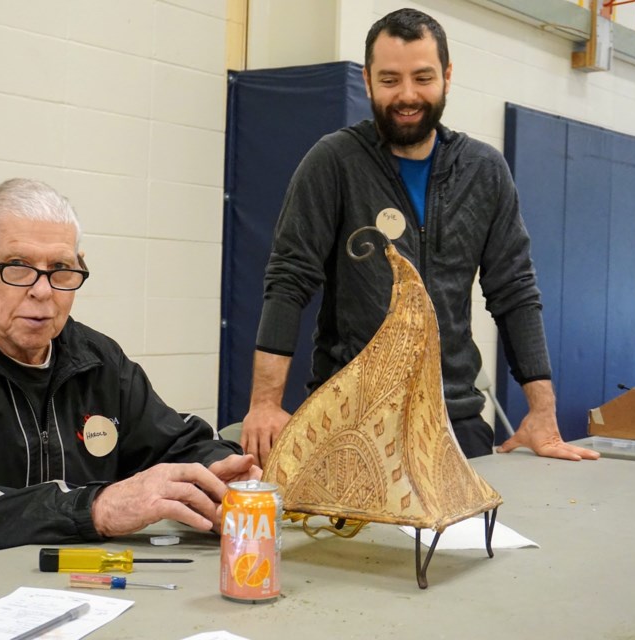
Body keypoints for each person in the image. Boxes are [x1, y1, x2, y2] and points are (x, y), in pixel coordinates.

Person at [0, 178, 259, 580]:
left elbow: (177, 444)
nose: (42, 290)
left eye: (60, 269)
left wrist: (226, 476)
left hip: (42, 593)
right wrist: (93, 509)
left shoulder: (97, 360)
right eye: (17, 266)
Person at [241, 8, 600, 466]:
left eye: (422, 77)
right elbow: (288, 281)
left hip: (456, 422)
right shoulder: (333, 162)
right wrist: (265, 403)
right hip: (352, 421)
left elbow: (515, 292)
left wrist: (541, 412)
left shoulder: (483, 171)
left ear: (447, 77)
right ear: (368, 81)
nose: (407, 95)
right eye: (390, 79)